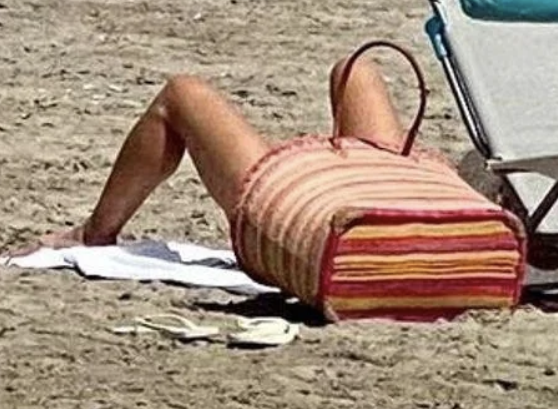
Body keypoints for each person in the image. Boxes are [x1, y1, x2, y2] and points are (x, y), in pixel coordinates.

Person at [13, 53, 421, 259]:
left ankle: (94, 234)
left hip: (320, 242)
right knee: (354, 69)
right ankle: (383, 196)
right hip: (412, 229)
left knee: (181, 94)